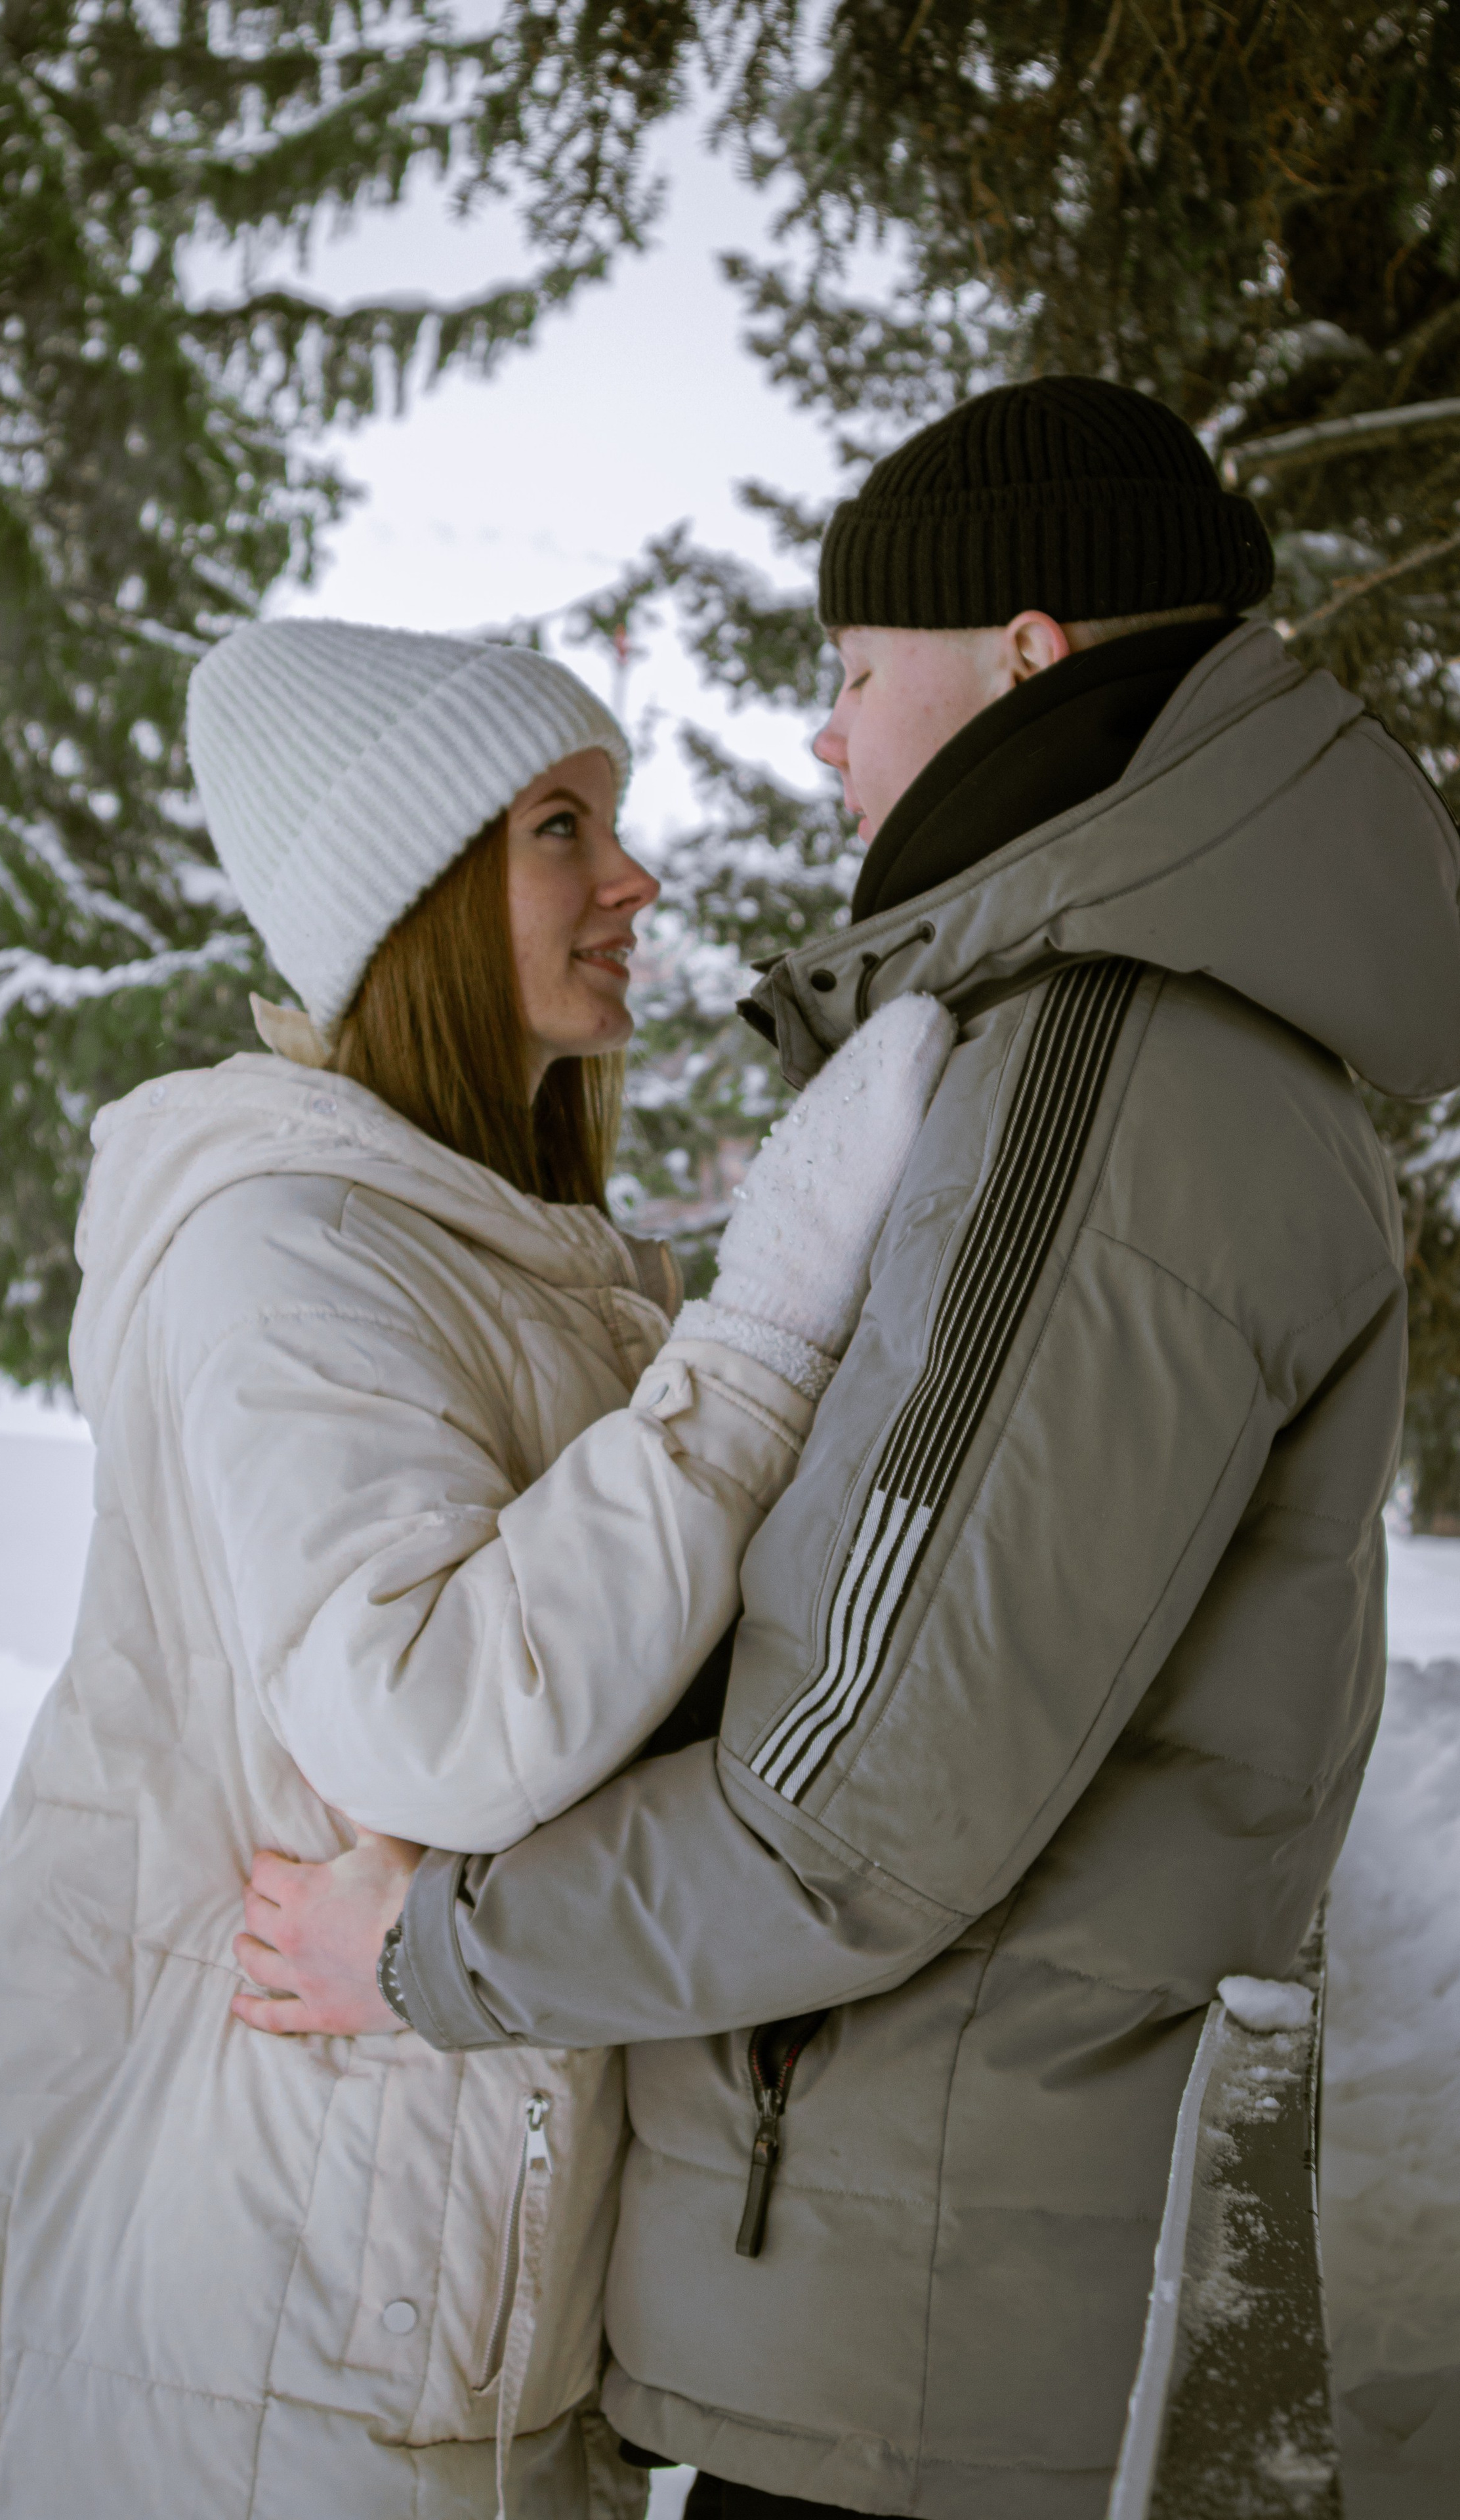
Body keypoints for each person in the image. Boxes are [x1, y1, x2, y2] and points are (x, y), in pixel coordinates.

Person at [232, 379, 1460, 2519]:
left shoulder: (1107, 1070)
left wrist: (430, 1949)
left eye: (854, 671)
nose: (823, 739)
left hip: (923, 2355)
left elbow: (858, 1814)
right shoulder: (1158, 1042)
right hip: (955, 2297)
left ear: (1024, 656)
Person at [0, 616, 952, 2520]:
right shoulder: (289, 1249)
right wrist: (756, 1344)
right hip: (291, 2316)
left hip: (438, 2275)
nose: (634, 880)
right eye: (563, 828)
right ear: (416, 899)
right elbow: (434, 1723)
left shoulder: (505, 1251)